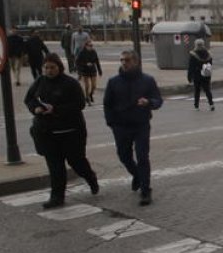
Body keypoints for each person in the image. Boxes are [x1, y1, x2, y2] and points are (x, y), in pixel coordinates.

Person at [25, 53, 98, 209]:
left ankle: (90, 177)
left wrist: (56, 109)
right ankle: (57, 197)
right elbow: (29, 98)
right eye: (46, 67)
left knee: (77, 162)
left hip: (71, 131)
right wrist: (36, 108)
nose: (49, 70)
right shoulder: (40, 81)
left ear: (59, 67)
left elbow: (79, 104)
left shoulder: (70, 83)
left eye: (52, 67)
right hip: (48, 132)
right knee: (55, 166)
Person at [103, 50, 163, 205]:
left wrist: (149, 102)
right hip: (121, 126)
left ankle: (145, 190)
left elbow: (158, 100)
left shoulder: (147, 80)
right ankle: (137, 174)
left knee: (142, 156)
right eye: (122, 60)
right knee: (124, 156)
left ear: (136, 62)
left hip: (140, 124)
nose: (124, 63)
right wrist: (111, 123)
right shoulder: (114, 82)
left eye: (128, 60)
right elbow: (107, 104)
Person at [187, 39, 215, 110]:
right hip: (206, 74)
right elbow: (210, 64)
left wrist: (189, 77)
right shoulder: (208, 54)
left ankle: (196, 106)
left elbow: (191, 67)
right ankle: (211, 104)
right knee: (207, 90)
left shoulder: (193, 55)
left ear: (195, 45)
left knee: (197, 90)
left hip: (197, 75)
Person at [74, 39, 103, 105]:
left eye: (92, 45)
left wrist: (100, 70)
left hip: (93, 70)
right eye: (90, 45)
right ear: (86, 46)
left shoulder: (94, 52)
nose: (91, 47)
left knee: (94, 86)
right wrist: (85, 65)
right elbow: (77, 62)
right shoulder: (82, 52)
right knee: (87, 86)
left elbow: (97, 61)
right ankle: (87, 97)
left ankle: (90, 94)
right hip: (85, 71)